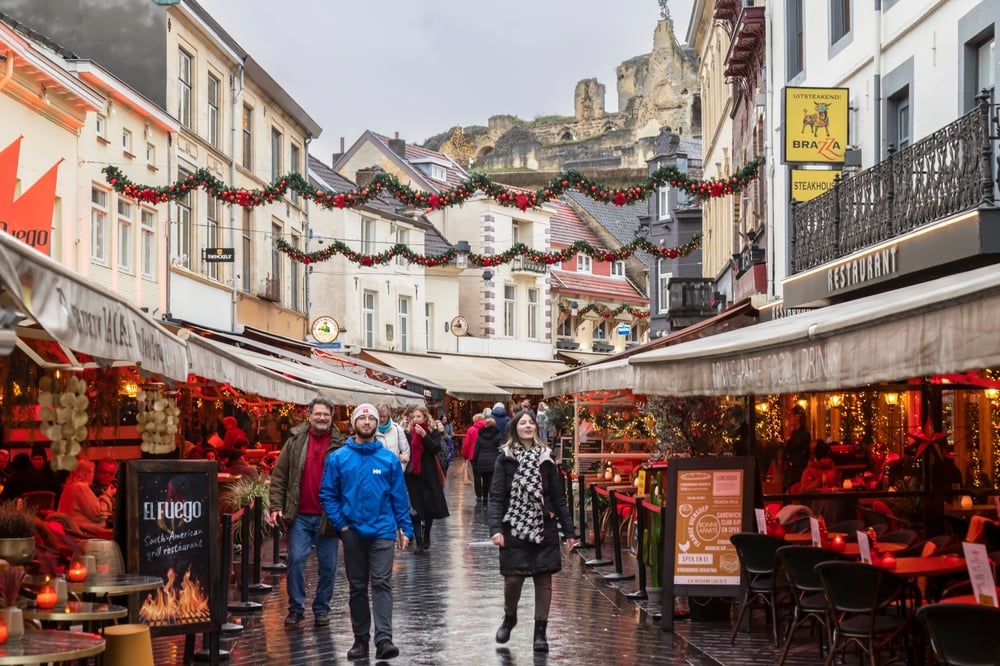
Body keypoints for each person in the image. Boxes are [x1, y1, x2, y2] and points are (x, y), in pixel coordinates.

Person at [319, 403, 412, 662]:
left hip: (383, 530)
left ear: (377, 424)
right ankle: (360, 640)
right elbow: (328, 493)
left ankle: (384, 640)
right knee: (358, 586)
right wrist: (342, 525)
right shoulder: (339, 458)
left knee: (382, 582)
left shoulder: (389, 459)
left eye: (372, 418)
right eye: (362, 418)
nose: (368, 421)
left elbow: (399, 496)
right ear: (354, 424)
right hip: (353, 531)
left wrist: (405, 527)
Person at [488, 409, 577, 653]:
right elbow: (496, 497)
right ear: (515, 428)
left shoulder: (546, 458)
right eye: (522, 423)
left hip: (543, 527)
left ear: (536, 427)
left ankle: (540, 633)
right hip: (514, 527)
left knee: (543, 579)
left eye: (531, 422)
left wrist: (569, 532)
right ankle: (510, 617)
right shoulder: (505, 458)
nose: (527, 426)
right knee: (513, 579)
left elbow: (558, 498)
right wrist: (495, 529)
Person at [268, 397, 345, 628]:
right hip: (299, 514)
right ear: (309, 415)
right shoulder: (295, 441)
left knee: (328, 566)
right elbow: (280, 475)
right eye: (318, 414)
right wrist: (276, 506)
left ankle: (321, 608)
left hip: (328, 516)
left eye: (326, 414)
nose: (322, 418)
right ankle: (296, 608)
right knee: (296, 562)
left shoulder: (341, 445)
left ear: (331, 417)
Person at [404, 405, 449, 554]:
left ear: (425, 417)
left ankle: (427, 533)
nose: (416, 420)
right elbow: (404, 450)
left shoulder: (432, 431)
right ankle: (418, 541)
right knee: (415, 510)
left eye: (418, 416)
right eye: (414, 417)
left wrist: (424, 435)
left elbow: (435, 448)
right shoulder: (408, 432)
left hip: (429, 474)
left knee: (429, 508)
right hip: (413, 475)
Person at [57, 458, 111, 536]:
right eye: (93, 472)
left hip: (73, 532)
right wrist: (108, 495)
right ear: (86, 473)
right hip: (85, 534)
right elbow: (100, 514)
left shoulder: (70, 487)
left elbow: (91, 508)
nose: (93, 475)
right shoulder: (80, 487)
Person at [473, 417, 503, 510]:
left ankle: (485, 498)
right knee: (492, 480)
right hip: (494, 461)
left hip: (482, 461)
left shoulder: (480, 436)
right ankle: (492, 498)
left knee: (485, 480)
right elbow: (501, 448)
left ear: (485, 425)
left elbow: (476, 450)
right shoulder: (497, 435)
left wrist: (475, 461)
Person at [784, 405, 811, 492]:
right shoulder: (793, 434)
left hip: (799, 471)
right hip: (791, 471)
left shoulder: (803, 434)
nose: (789, 418)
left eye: (791, 416)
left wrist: (789, 438)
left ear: (797, 417)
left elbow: (796, 450)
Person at [376, 403, 410, 469]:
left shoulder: (397, 429)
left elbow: (406, 450)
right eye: (380, 416)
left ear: (388, 416)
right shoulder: (372, 431)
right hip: (377, 470)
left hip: (394, 469)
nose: (382, 419)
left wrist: (400, 469)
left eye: (384, 416)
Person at [462, 414, 486, 490]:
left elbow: (466, 445)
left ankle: (478, 494)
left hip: (473, 455)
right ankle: (486, 492)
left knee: (476, 475)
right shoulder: (488, 428)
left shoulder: (471, 430)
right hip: (485, 454)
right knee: (486, 475)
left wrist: (465, 455)